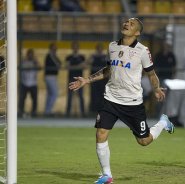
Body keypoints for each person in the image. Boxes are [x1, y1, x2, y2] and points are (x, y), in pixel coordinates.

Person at [69, 18, 175, 184]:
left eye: (131, 24)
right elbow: (109, 70)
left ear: (137, 32)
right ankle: (106, 175)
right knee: (101, 133)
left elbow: (151, 74)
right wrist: (87, 80)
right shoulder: (112, 46)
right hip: (110, 99)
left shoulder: (142, 50)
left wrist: (155, 88)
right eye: (126, 22)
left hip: (132, 102)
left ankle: (163, 122)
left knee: (144, 141)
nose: (127, 24)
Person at [65, 41, 86, 117]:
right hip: (71, 78)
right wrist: (78, 66)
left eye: (76, 47)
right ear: (72, 48)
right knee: (70, 96)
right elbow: (67, 67)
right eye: (74, 47)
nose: (75, 48)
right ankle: (67, 113)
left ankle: (83, 113)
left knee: (80, 96)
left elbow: (84, 66)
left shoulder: (82, 57)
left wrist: (73, 66)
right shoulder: (69, 57)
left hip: (80, 80)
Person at [18, 49, 40, 117]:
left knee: (34, 99)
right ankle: (21, 112)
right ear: (27, 54)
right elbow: (18, 67)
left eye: (31, 54)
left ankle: (34, 113)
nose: (30, 55)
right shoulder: (24, 62)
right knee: (22, 98)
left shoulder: (35, 62)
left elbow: (40, 67)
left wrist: (36, 61)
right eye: (29, 54)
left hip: (33, 83)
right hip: (24, 83)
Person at [89, 43, 108, 114]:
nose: (99, 50)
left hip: (103, 80)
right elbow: (88, 63)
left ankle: (103, 110)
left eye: (100, 48)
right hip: (94, 79)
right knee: (94, 95)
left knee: (103, 94)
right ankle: (93, 110)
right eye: (98, 48)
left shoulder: (105, 57)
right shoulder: (93, 56)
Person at [44, 43, 61, 115]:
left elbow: (60, 63)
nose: (55, 50)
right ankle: (48, 110)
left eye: (56, 48)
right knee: (55, 93)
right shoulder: (50, 55)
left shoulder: (53, 55)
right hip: (49, 76)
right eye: (54, 48)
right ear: (51, 48)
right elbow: (58, 64)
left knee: (50, 94)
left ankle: (47, 110)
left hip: (53, 76)